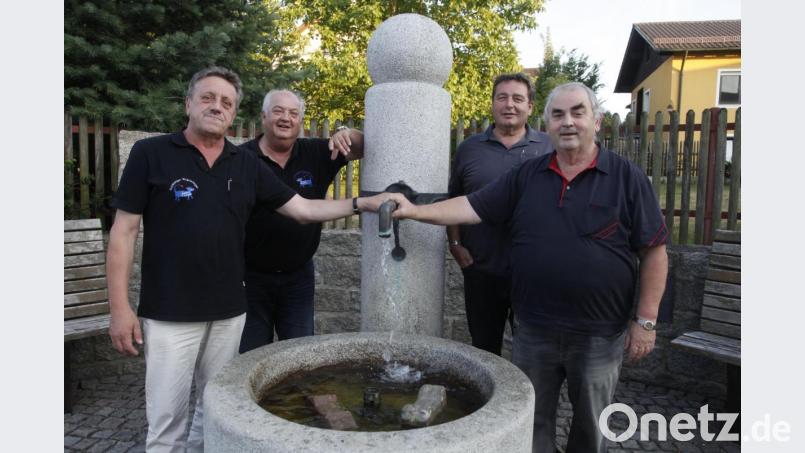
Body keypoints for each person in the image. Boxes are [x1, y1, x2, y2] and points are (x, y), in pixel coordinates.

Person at [106, 66, 386, 452]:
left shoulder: (244, 163)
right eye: (207, 98)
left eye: (226, 102)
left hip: (229, 312)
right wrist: (119, 308)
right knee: (166, 422)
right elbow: (123, 232)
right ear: (188, 104)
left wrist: (362, 203)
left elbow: (303, 209)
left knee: (215, 410)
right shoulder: (151, 153)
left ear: (234, 113)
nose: (216, 107)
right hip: (169, 312)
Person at [386, 82, 668, 453]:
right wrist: (414, 210)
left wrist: (646, 321)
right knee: (531, 424)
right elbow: (471, 207)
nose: (568, 122)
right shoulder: (528, 175)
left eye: (577, 112)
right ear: (547, 125)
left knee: (591, 427)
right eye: (558, 114)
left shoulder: (626, 178)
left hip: (599, 334)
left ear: (596, 121)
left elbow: (654, 251)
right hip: (535, 329)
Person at [238, 89, 364, 353]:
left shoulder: (318, 153)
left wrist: (344, 132)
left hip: (298, 278)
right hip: (250, 279)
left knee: (299, 355)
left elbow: (364, 146)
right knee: (250, 356)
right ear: (263, 117)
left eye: (293, 113)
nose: (286, 118)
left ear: (301, 121)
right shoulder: (241, 159)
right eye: (278, 111)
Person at [447, 73, 551, 355]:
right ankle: (491, 401)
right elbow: (455, 198)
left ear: (530, 106)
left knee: (533, 351)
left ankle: (530, 400)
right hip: (481, 268)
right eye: (502, 97)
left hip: (532, 270)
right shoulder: (469, 149)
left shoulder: (548, 148)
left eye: (518, 98)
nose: (509, 105)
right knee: (483, 348)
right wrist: (455, 244)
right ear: (492, 104)